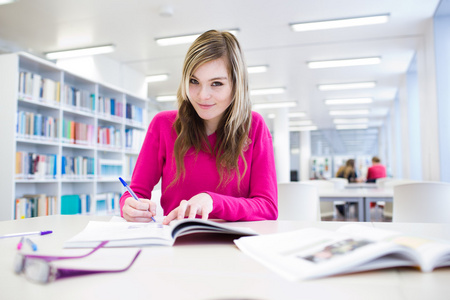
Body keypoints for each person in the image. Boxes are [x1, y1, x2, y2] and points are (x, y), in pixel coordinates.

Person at [120, 30, 278, 224]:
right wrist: (129, 205)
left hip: (234, 246)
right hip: (177, 242)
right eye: (194, 81)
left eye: (217, 83)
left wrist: (213, 201)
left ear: (237, 86)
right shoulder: (163, 125)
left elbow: (267, 207)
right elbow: (135, 192)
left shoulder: (255, 127)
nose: (203, 95)